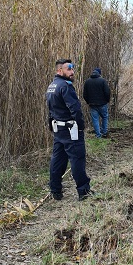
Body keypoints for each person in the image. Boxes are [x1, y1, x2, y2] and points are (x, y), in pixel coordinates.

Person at [46, 59, 93, 201]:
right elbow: (75, 109)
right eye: (69, 69)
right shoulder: (66, 86)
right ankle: (83, 191)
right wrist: (80, 126)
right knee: (77, 159)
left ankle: (55, 190)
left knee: (57, 160)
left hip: (58, 130)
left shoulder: (52, 86)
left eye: (72, 69)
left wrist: (51, 126)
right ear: (59, 70)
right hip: (70, 129)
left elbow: (50, 109)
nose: (72, 72)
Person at [83, 67, 111, 138]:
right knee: (104, 117)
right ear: (99, 73)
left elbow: (85, 95)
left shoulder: (87, 82)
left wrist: (88, 102)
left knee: (95, 119)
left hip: (92, 104)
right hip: (103, 103)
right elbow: (107, 92)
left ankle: (98, 135)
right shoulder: (103, 81)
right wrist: (107, 100)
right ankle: (104, 132)